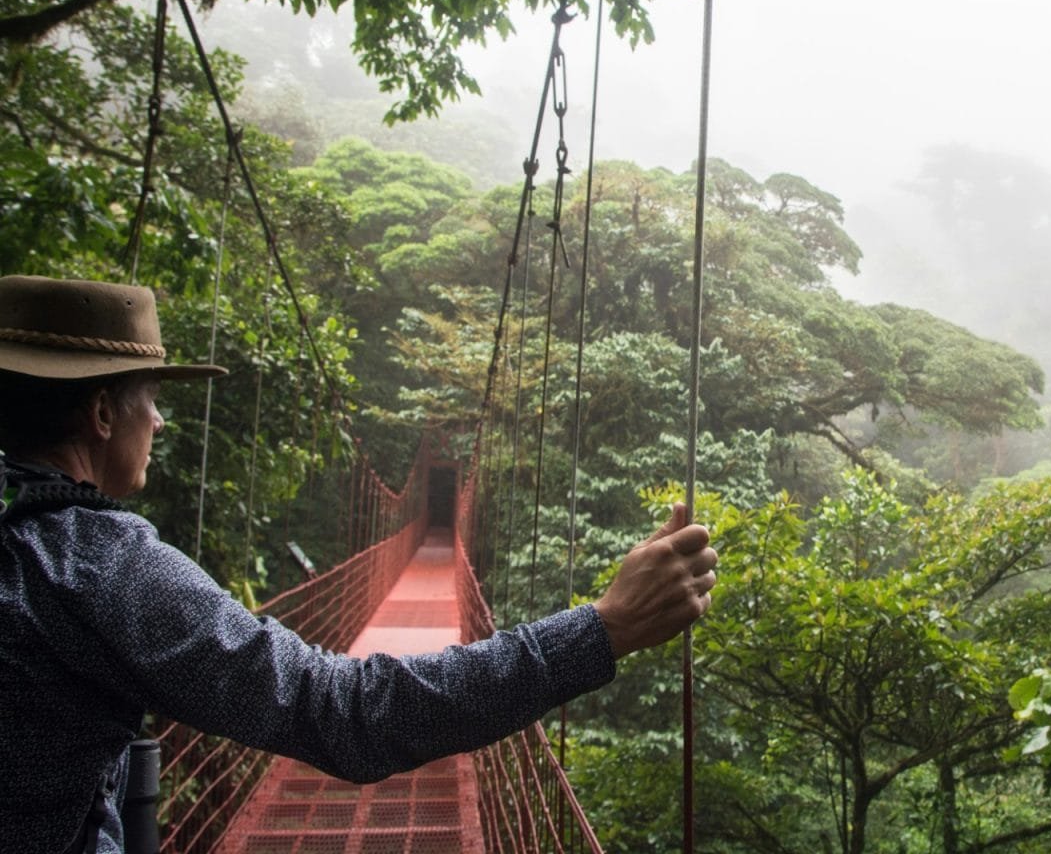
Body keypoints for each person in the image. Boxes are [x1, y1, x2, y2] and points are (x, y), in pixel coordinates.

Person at [0, 274, 718, 854]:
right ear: (101, 414)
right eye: (150, 401)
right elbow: (344, 714)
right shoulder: (99, 567)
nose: (159, 422)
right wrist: (604, 628)